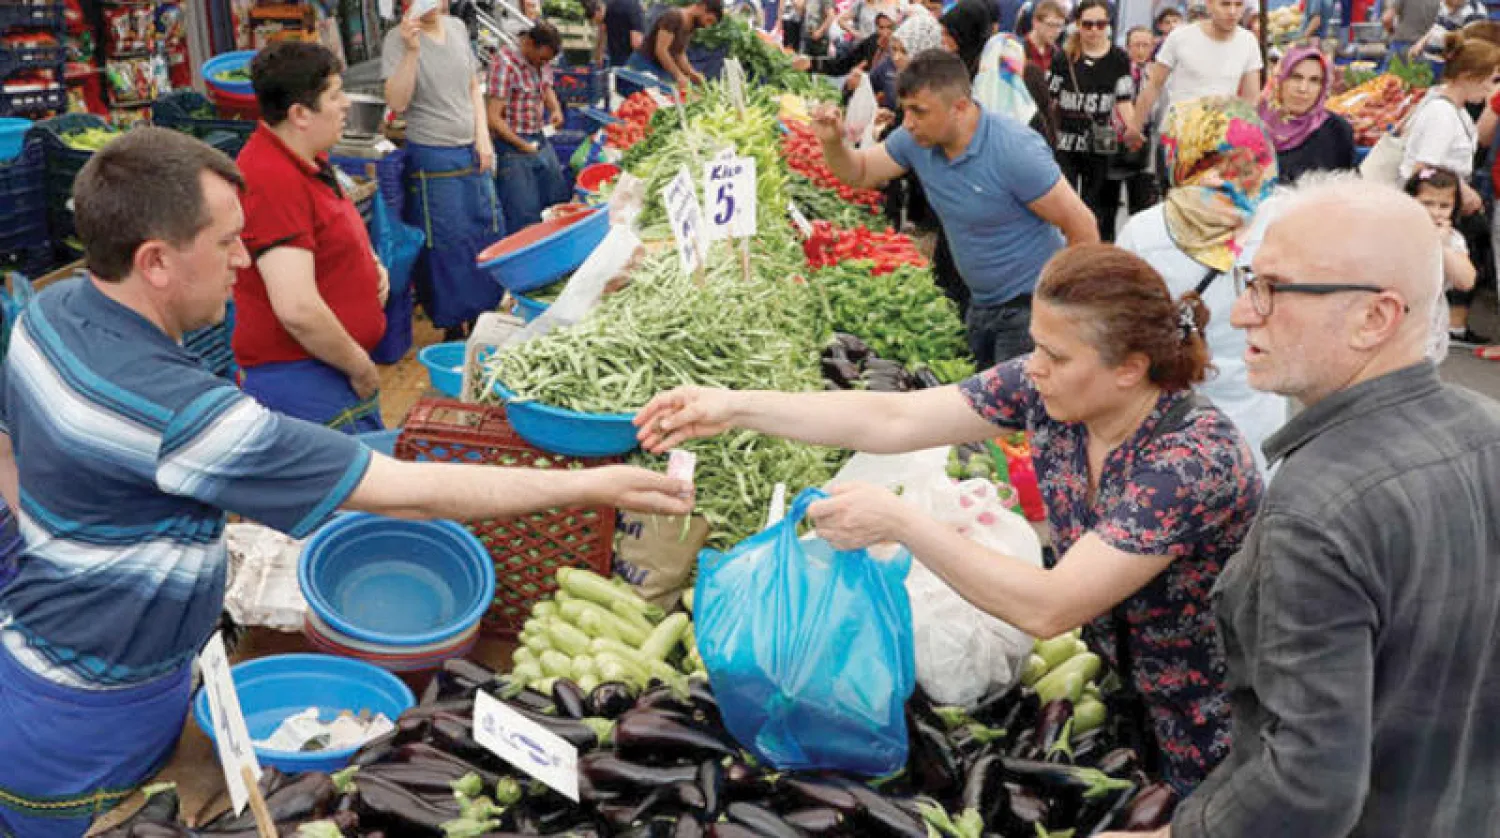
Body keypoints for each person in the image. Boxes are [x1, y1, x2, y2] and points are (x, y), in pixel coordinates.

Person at [0, 128, 693, 838]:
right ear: (154, 263)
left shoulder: (47, 317)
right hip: (90, 716)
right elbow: (411, 492)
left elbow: (6, 450)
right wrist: (591, 485)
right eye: (226, 243)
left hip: (37, 656)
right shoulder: (180, 415)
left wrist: (74, 544)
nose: (244, 261)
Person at [637, 244, 1263, 795]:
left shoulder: (1191, 461)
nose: (1033, 365)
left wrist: (904, 523)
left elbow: (1052, 607)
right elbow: (897, 420)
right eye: (1036, 346)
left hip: (1220, 716)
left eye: (1055, 355)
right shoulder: (1050, 392)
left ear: (1130, 368)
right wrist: (734, 407)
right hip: (1130, 684)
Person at [1100, 173, 1500, 838]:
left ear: (1376, 317)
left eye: (1272, 290)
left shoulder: (1313, 512)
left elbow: (1308, 786)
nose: (1239, 313)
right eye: (1248, 280)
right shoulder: (1489, 427)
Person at [812, 50, 1098, 366]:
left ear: (959, 108)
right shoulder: (916, 141)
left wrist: (1066, 311)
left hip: (1029, 308)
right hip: (979, 303)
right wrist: (832, 143)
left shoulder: (1014, 149)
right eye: (905, 110)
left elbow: (1081, 225)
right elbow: (861, 172)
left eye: (918, 112)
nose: (907, 123)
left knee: (1016, 409)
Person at [1118, 96, 1288, 473]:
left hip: (1172, 415)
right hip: (1261, 415)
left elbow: (1122, 327)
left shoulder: (1145, 232)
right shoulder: (1283, 217)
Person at [233, 43, 390, 436]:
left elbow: (332, 228)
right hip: (304, 379)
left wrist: (370, 266)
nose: (345, 105)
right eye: (334, 95)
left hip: (326, 370)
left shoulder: (307, 158)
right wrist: (358, 364)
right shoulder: (270, 179)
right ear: (300, 114)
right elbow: (297, 308)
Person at [383, 0, 502, 342]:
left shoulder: (458, 29)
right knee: (445, 241)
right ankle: (452, 323)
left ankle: (482, 316)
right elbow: (397, 102)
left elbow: (472, 88)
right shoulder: (397, 40)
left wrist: (483, 138)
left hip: (471, 150)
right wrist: (410, 51)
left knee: (483, 228)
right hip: (433, 156)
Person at [1397, 33, 1500, 343]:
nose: (1490, 88)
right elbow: (1423, 169)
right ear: (1468, 77)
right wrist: (1460, 191)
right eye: (1489, 79)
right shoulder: (1442, 114)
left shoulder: (1445, 106)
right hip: (1430, 218)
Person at [1049, 0, 1140, 241]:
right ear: (1078, 25)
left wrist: (1133, 129)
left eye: (1100, 24)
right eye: (1088, 25)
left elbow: (1123, 100)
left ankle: (1095, 248)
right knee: (1066, 199)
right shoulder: (1063, 58)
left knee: (1098, 201)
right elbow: (1051, 100)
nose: (1094, 31)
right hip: (1067, 138)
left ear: (1108, 25)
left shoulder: (1119, 58)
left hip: (1102, 137)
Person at [1129, 0, 1264, 143]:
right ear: (1209, 4)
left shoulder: (1248, 41)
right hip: (1179, 136)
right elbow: (1154, 86)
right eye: (1225, 4)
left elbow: (1251, 100)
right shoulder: (1180, 37)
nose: (1232, 11)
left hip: (1221, 139)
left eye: (1238, 5)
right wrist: (1135, 127)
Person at [487, 23, 570, 231]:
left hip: (538, 137)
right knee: (524, 213)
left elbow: (546, 86)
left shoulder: (542, 62)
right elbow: (493, 118)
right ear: (529, 44)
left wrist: (555, 109)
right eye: (542, 59)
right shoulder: (505, 64)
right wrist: (522, 145)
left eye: (548, 61)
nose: (544, 64)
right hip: (512, 147)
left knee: (557, 199)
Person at [1404, 167, 1477, 360]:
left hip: (1430, 323)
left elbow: (1466, 281)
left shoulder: (1453, 239)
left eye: (1444, 206)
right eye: (1427, 203)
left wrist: (1441, 247)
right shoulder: (1397, 232)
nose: (1435, 212)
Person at [1258, 46, 1356, 183]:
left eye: (1314, 80)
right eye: (1296, 77)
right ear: (1280, 79)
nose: (1303, 89)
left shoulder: (1337, 131)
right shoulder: (1256, 126)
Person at [1113, 25, 1161, 214]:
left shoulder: (1157, 74)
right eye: (1136, 45)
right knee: (1109, 203)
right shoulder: (1117, 70)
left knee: (1142, 202)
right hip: (1118, 139)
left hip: (1147, 139)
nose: (1141, 51)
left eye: (1146, 45)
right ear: (1127, 47)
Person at [626, 0, 724, 89]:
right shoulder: (674, 17)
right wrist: (678, 76)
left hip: (658, 69)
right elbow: (661, 50)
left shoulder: (691, 25)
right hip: (643, 65)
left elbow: (679, 53)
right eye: (709, 20)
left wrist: (692, 73)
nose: (707, 25)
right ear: (702, 8)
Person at [1410, 0, 1487, 58]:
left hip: (1450, 63)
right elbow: (1436, 26)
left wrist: (1444, 57)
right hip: (1430, 57)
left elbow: (1470, 48)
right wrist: (1420, 43)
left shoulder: (1475, 12)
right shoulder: (1445, 4)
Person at [941, 0, 995, 76]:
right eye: (943, 33)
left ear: (965, 35)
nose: (942, 39)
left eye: (948, 34)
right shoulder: (950, 60)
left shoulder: (988, 70)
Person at [1025, 0, 1066, 69]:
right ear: (1035, 22)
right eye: (1051, 25)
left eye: (1059, 26)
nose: (1056, 31)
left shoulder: (1058, 54)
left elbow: (1057, 79)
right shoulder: (1018, 49)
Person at [602, 0, 645, 65]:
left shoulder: (607, 5)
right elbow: (636, 42)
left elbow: (602, 30)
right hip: (630, 62)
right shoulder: (634, 7)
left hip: (613, 59)